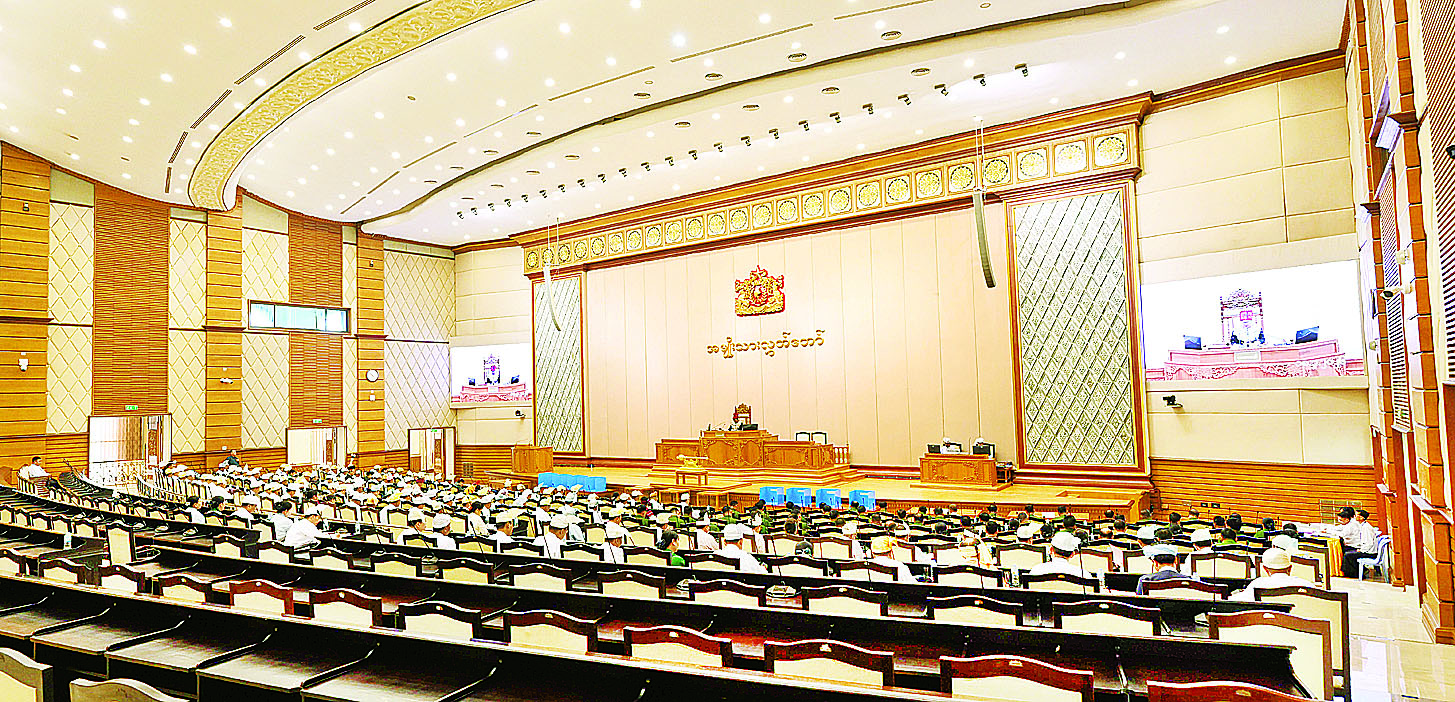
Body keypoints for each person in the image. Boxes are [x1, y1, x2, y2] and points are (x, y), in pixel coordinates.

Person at [1231, 548, 1315, 601]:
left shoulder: (1258, 584)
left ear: (1265, 568)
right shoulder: (1307, 586)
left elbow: (1236, 600)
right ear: (1290, 568)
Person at [1341, 509, 1381, 577]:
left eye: (1356, 515)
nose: (1354, 517)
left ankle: (1354, 574)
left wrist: (1361, 550)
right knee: (1348, 552)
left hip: (1370, 552)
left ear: (1361, 517)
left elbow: (1369, 543)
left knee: (1348, 555)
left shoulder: (1366, 527)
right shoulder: (1363, 526)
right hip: (1366, 549)